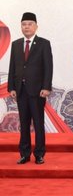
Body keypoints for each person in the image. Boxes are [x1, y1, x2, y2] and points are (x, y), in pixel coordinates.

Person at [8, 12, 53, 165]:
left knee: (39, 123)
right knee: (24, 123)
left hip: (38, 91)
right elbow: (13, 67)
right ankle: (24, 154)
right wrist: (11, 87)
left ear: (36, 26)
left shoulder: (43, 44)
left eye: (29, 24)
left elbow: (48, 67)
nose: (26, 27)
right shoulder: (15, 44)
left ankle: (39, 154)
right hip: (20, 91)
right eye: (24, 24)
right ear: (21, 26)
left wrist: (46, 87)